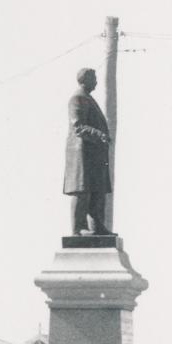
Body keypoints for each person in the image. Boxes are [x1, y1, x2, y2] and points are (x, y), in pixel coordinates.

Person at [64, 67, 111, 235]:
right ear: (86, 80)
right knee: (82, 191)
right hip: (82, 153)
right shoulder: (77, 98)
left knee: (97, 190)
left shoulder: (88, 99)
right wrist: (99, 134)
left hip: (94, 154)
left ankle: (97, 226)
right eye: (94, 79)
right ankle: (79, 228)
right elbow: (78, 127)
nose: (96, 82)